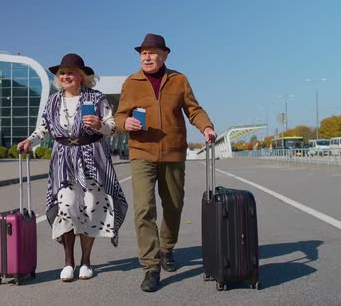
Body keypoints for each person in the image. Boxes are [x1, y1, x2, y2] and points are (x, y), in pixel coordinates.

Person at [114, 33, 216, 292]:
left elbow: (193, 109)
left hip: (173, 152)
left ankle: (166, 248)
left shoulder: (179, 80)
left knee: (173, 205)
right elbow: (119, 115)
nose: (146, 57)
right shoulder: (132, 82)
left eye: (152, 52)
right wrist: (124, 123)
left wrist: (206, 127)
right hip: (141, 152)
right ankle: (151, 266)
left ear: (165, 55)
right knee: (144, 209)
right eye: (143, 53)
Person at [17, 53, 128, 282]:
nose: (65, 76)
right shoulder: (53, 101)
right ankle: (68, 261)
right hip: (64, 160)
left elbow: (112, 126)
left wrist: (99, 125)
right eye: (62, 73)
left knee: (90, 207)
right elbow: (44, 129)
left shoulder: (96, 98)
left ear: (81, 76)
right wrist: (30, 141)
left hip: (93, 158)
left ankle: (86, 261)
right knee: (66, 206)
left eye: (70, 72)